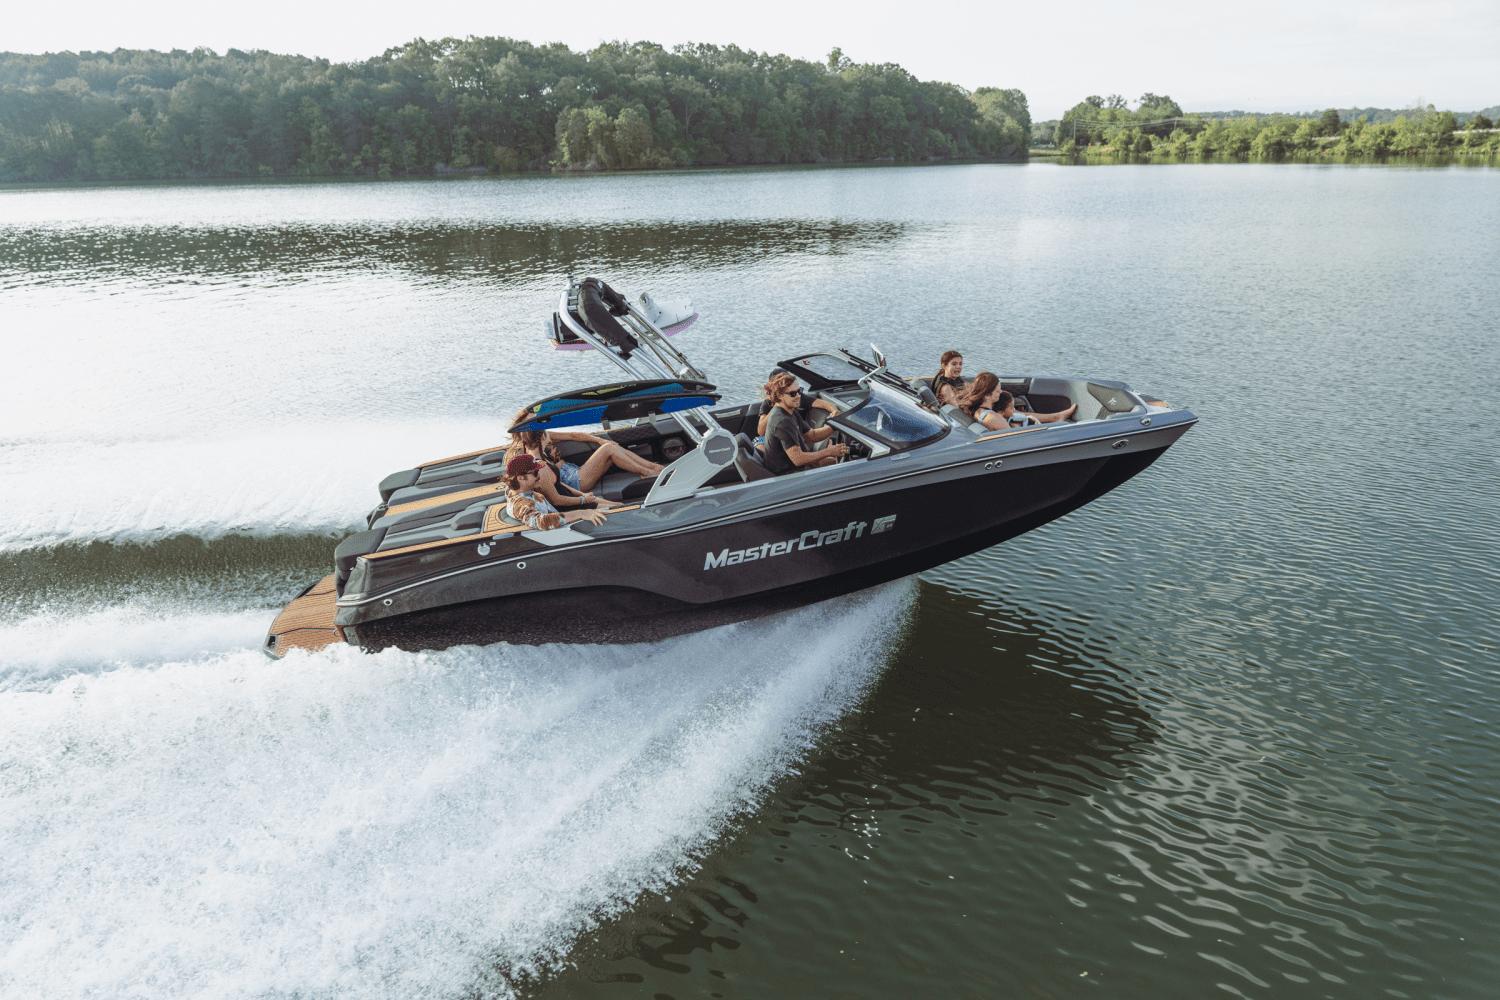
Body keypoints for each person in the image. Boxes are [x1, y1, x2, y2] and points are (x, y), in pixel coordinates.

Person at [506, 411, 661, 509]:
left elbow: (573, 435)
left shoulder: (545, 435)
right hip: (574, 481)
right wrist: (580, 497)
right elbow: (553, 486)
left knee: (610, 447)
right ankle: (647, 472)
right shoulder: (532, 454)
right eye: (533, 421)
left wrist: (599, 440)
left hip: (573, 469)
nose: (538, 421)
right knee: (609, 448)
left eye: (537, 418)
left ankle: (654, 468)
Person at [761, 371, 849, 474]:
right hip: (789, 473)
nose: (798, 396)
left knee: (833, 461)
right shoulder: (782, 421)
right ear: (780, 395)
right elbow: (798, 459)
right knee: (841, 470)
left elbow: (811, 435)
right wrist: (828, 451)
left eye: (799, 391)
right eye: (793, 394)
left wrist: (833, 426)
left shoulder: (790, 410)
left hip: (794, 464)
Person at [504, 455, 609, 529]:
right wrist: (581, 513)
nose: (539, 475)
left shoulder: (515, 489)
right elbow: (540, 521)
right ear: (520, 478)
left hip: (564, 518)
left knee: (613, 507)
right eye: (535, 473)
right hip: (568, 529)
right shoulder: (521, 504)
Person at [958, 373, 1078, 431]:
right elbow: (1014, 441)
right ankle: (1056, 419)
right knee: (1064, 428)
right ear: (987, 395)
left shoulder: (977, 409)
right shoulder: (994, 418)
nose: (1000, 393)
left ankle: (1055, 417)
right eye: (997, 391)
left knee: (1013, 412)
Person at [754, 367, 836, 449]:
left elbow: (821, 403)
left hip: (791, 435)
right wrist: (778, 404)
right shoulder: (768, 403)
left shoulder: (796, 397)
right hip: (770, 435)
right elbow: (761, 431)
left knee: (804, 448)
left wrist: (834, 411)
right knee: (761, 447)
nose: (796, 396)